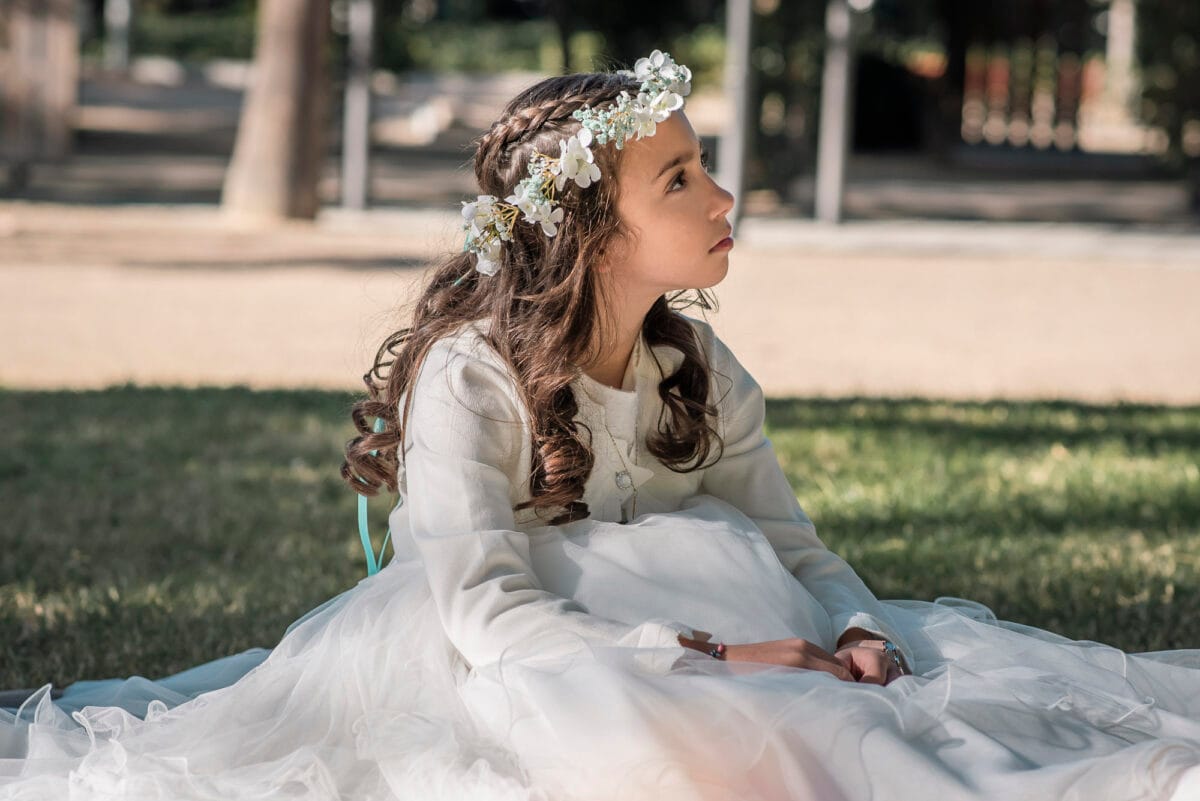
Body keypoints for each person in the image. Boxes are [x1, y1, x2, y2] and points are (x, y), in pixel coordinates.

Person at [3, 52, 1200, 801]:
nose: (722, 197)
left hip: (730, 640)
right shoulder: (473, 376)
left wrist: (852, 621)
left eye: (706, 166)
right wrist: (711, 657)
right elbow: (483, 611)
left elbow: (790, 543)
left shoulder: (694, 362)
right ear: (587, 230)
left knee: (873, 694)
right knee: (708, 735)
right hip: (525, 668)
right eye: (678, 179)